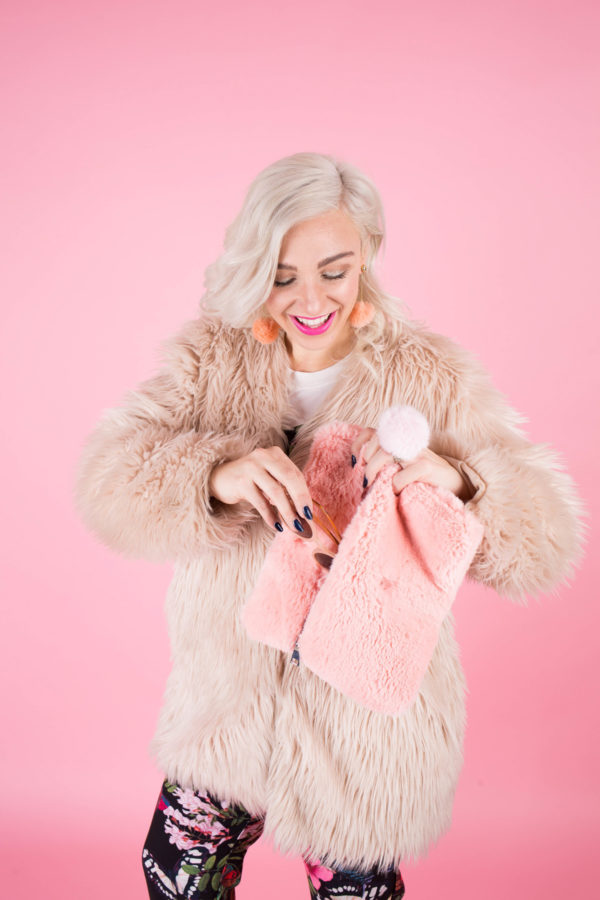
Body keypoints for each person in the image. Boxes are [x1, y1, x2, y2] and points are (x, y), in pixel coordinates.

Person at [74, 152, 585, 899]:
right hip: (227, 702)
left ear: (367, 259)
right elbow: (107, 479)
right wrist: (213, 474)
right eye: (283, 276)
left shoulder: (430, 376)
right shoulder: (212, 362)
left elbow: (546, 541)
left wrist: (460, 479)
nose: (310, 298)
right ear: (256, 268)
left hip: (366, 730)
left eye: (334, 270)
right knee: (177, 877)